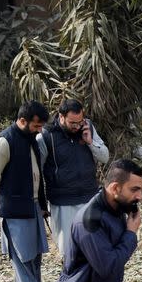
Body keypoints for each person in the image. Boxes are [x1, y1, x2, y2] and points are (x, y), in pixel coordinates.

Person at [0, 100, 57, 282]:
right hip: (16, 212)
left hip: (33, 207)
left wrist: (41, 205)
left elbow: (36, 176)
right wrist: (5, 196)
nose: (40, 130)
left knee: (34, 260)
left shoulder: (31, 139)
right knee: (24, 260)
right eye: (36, 126)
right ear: (22, 121)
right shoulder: (4, 142)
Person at [37, 99, 109, 259]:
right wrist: (41, 204)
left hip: (90, 198)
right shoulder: (46, 136)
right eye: (72, 123)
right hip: (62, 203)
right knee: (70, 253)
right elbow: (37, 172)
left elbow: (105, 157)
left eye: (80, 121)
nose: (77, 126)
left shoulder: (88, 127)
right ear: (61, 117)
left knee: (93, 250)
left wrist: (90, 142)